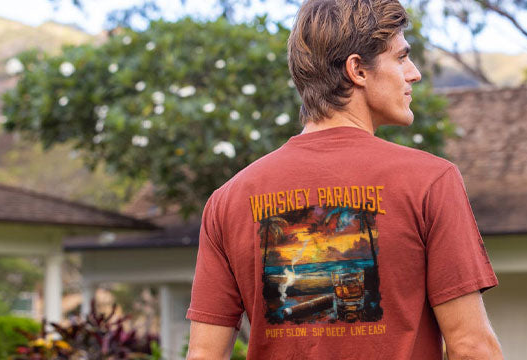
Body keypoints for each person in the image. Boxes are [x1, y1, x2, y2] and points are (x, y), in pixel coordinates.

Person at [183, 0, 501, 358]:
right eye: (400, 57)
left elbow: (203, 355)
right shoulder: (430, 182)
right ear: (357, 70)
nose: (414, 73)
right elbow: (473, 348)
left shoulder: (229, 200)